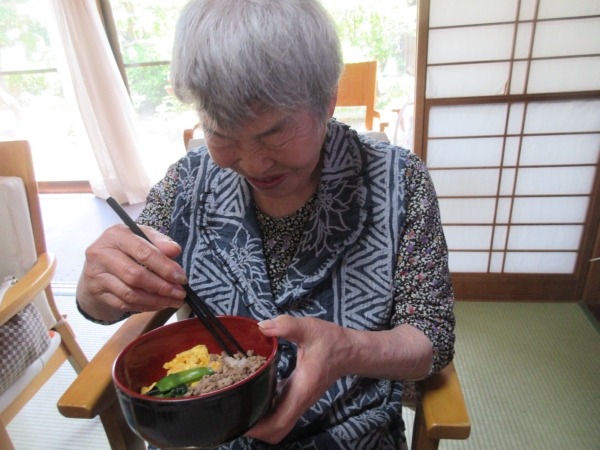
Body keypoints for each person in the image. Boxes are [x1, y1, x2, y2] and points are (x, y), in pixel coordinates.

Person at [76, 0, 455, 448]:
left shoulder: (398, 182)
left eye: (275, 133)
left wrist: (348, 349)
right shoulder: (187, 184)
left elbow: (431, 339)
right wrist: (96, 288)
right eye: (221, 133)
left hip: (352, 435)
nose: (254, 164)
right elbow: (112, 301)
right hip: (213, 433)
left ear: (328, 100)